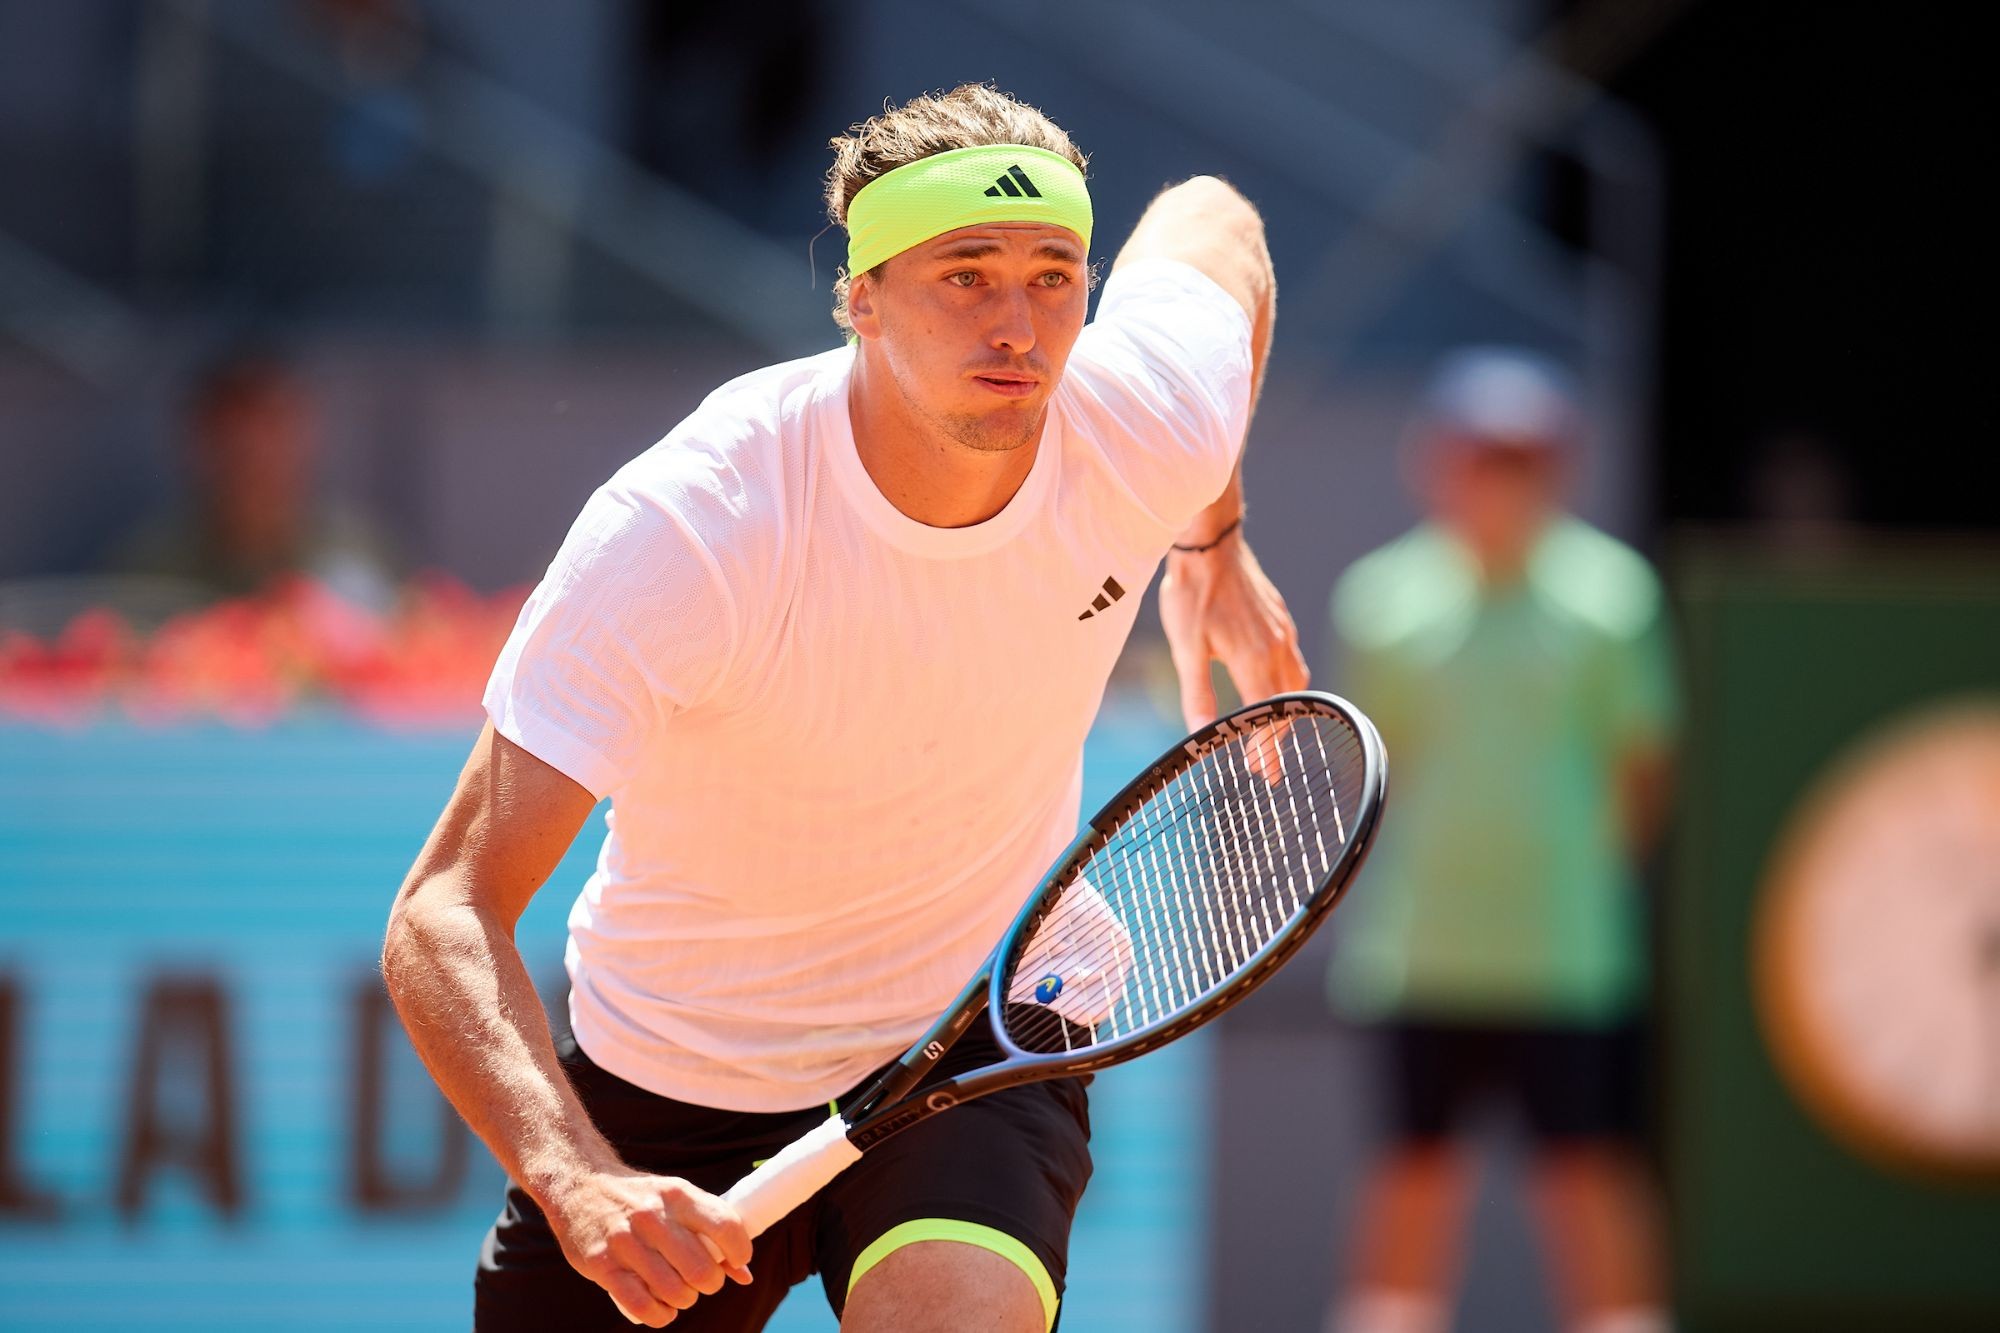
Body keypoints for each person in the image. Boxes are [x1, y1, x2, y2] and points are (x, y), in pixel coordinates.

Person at [381, 84, 1304, 1332]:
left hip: (975, 1034)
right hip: (672, 1077)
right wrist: (578, 1180)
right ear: (861, 297)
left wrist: (1210, 540)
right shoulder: (691, 529)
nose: (1017, 325)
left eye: (1052, 277)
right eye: (965, 276)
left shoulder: (1144, 420)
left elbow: (1213, 220)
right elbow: (444, 908)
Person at [1325, 349, 1676, 1333]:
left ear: (1558, 468)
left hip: (1565, 958)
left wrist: (1562, 879)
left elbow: (1641, 773)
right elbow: (1379, 770)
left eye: (1524, 457)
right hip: (1420, 956)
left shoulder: (1615, 600)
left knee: (1588, 1172)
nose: (1500, 477)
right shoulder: (1381, 602)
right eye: (1481, 454)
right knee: (1410, 1177)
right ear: (1438, 463)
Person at [111, 351, 400, 611]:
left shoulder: (357, 550)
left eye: (271, 428)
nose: (251, 453)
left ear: (307, 435)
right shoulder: (153, 568)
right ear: (194, 443)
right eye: (229, 432)